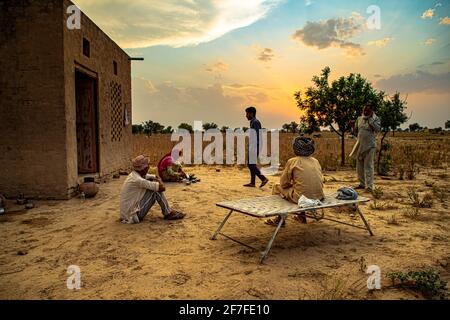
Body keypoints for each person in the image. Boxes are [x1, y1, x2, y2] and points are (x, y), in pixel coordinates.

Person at [266, 137, 325, 226]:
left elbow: (283, 183)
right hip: (319, 197)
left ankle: (279, 219)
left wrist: (292, 184)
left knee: (276, 187)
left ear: (295, 148)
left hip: (301, 198)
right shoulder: (315, 161)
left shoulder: (292, 161)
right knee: (300, 188)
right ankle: (301, 216)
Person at [120, 155, 186, 224]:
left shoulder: (134, 175)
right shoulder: (138, 180)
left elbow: (150, 176)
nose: (149, 167)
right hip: (132, 216)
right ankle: (168, 213)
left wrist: (155, 177)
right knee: (155, 191)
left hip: (126, 214)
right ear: (144, 168)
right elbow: (162, 188)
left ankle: (167, 211)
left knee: (153, 186)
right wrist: (159, 180)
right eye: (147, 166)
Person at [349, 104, 381, 193]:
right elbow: (355, 132)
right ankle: (362, 184)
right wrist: (352, 126)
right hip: (360, 145)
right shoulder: (359, 119)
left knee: (368, 166)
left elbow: (378, 129)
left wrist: (371, 120)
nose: (365, 112)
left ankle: (369, 186)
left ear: (372, 111)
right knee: (359, 166)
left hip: (370, 146)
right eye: (364, 110)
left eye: (367, 110)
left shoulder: (376, 119)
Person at [244, 106, 269, 188]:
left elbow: (257, 135)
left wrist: (254, 146)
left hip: (255, 145)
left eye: (247, 113)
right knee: (252, 164)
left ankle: (263, 179)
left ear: (251, 113)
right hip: (254, 145)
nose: (246, 115)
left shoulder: (255, 122)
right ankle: (252, 183)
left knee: (250, 164)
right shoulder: (252, 122)